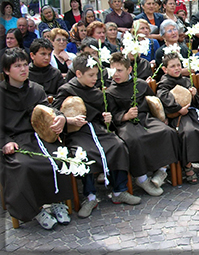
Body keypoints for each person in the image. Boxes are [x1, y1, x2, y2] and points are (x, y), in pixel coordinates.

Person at [53, 53, 141, 218]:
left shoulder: (97, 92)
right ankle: (90, 196)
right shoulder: (67, 90)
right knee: (83, 153)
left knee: (117, 145)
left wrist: (106, 118)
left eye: (96, 75)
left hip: (98, 130)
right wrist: (69, 119)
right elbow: (56, 114)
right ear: (78, 74)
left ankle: (119, 190)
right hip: (77, 133)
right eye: (91, 75)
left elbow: (102, 116)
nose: (95, 79)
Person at [1, 48, 72, 230]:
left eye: (25, 65)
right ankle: (35, 210)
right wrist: (5, 142)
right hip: (14, 140)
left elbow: (48, 111)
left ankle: (58, 201)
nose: (24, 69)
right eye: (17, 66)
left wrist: (60, 118)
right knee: (22, 166)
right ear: (7, 71)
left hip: (39, 136)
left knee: (58, 155)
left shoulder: (36, 89)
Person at [106, 52, 180, 195]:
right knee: (133, 140)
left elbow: (153, 101)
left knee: (167, 132)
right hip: (125, 124)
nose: (116, 74)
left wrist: (161, 116)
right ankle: (142, 178)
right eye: (112, 70)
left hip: (145, 118)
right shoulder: (110, 92)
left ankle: (162, 170)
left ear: (129, 70)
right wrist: (125, 116)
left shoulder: (140, 84)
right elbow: (112, 115)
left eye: (119, 70)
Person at [157, 52, 199, 183]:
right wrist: (178, 109)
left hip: (193, 112)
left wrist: (194, 95)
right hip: (178, 115)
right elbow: (165, 99)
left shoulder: (186, 80)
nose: (177, 68)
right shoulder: (164, 84)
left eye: (179, 65)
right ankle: (187, 165)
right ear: (165, 69)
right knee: (188, 132)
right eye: (173, 66)